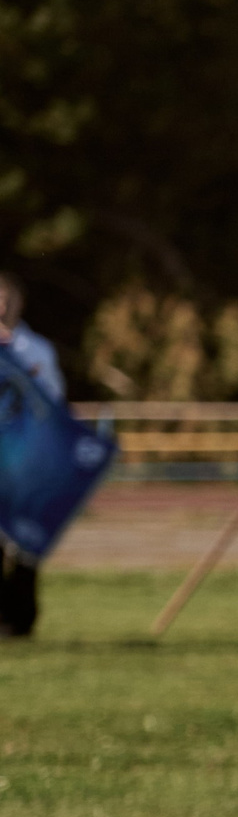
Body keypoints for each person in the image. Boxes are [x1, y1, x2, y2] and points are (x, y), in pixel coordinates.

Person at [0, 272, 65, 638]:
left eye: (8, 297)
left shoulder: (37, 350)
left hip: (25, 460)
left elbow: (52, 403)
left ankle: (19, 621)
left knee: (25, 543)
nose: (3, 305)